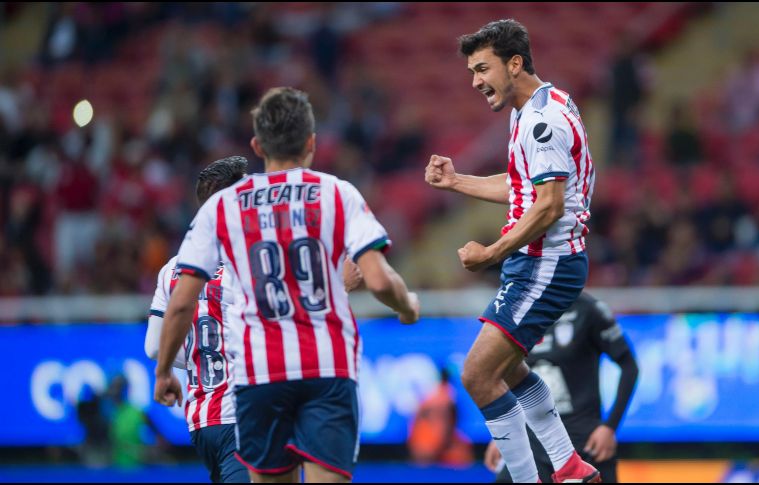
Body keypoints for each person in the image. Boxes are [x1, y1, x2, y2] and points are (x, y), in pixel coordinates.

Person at [153, 87, 419, 483]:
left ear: (258, 145)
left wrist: (163, 372)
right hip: (326, 367)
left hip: (261, 373)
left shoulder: (225, 206)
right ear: (312, 143)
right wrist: (406, 305)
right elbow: (378, 277)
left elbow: (179, 304)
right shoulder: (336, 192)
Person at [425, 19, 597, 483]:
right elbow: (524, 187)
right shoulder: (536, 106)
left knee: (477, 376)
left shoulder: (542, 120)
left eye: (482, 68)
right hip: (541, 262)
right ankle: (568, 465)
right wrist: (457, 180)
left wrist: (492, 253)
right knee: (510, 368)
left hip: (546, 263)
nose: (476, 81)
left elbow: (549, 206)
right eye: (471, 71)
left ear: (514, 63)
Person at [145, 156, 251, 483]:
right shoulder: (249, 260)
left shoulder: (172, 270)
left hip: (203, 422)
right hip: (244, 416)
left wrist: (199, 357)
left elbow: (153, 347)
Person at [484, 292, 639, 483]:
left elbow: (628, 365)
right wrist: (505, 436)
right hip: (534, 441)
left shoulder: (588, 309)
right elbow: (509, 374)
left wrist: (609, 427)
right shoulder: (518, 310)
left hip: (585, 442)